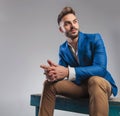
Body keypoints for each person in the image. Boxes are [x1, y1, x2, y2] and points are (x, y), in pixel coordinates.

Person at [39, 6, 118, 116]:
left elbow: (101, 69)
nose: (73, 26)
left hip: (101, 85)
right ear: (61, 29)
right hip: (81, 87)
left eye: (75, 21)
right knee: (48, 84)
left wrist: (68, 72)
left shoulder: (95, 38)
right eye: (67, 23)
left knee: (94, 80)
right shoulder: (63, 49)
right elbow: (62, 72)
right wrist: (53, 74)